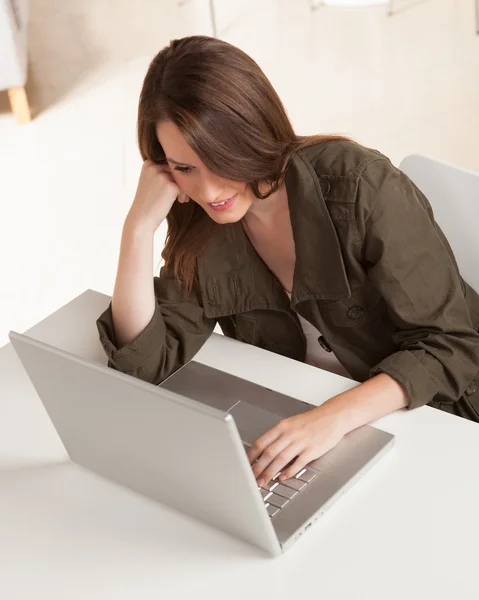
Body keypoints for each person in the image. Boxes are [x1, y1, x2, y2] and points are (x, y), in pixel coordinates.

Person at [96, 35, 479, 489]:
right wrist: (138, 228)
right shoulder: (199, 219)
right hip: (318, 430)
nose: (209, 191)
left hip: (441, 417)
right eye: (183, 168)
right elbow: (147, 360)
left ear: (253, 132)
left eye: (220, 160)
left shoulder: (362, 187)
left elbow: (453, 347)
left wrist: (331, 420)